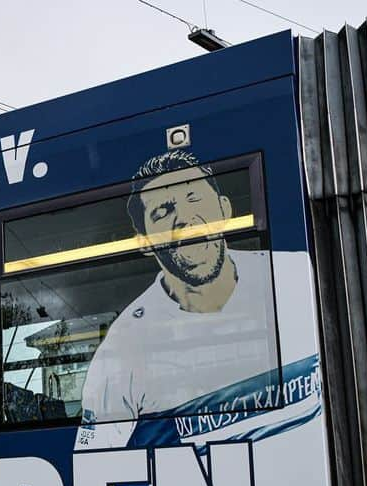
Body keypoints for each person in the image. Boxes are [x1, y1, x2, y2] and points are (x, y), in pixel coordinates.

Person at [75, 150, 281, 451]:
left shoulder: (291, 275)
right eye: (162, 211)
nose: (184, 218)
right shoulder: (121, 349)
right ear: (144, 242)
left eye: (194, 198)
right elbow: (89, 466)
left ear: (224, 209)